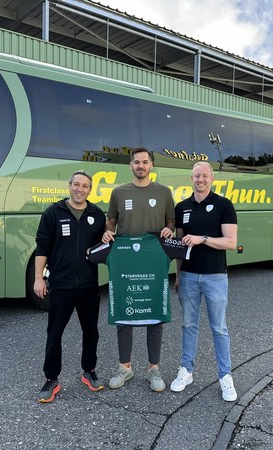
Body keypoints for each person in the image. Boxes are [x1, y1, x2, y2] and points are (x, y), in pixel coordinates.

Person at [102, 147, 175, 392]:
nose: (140, 166)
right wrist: (108, 231)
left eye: (145, 162)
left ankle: (154, 369)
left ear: (151, 165)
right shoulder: (119, 192)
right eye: (136, 162)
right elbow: (111, 221)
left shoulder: (163, 192)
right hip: (126, 259)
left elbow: (171, 221)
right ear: (130, 165)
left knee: (154, 313)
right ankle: (125, 367)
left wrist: (169, 229)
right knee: (125, 312)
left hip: (153, 260)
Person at [34, 170, 106, 403]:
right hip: (61, 285)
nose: (80, 189)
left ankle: (89, 371)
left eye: (85, 186)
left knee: (91, 332)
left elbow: (103, 247)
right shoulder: (53, 213)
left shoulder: (97, 214)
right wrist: (38, 278)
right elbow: (42, 247)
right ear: (69, 186)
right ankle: (51, 379)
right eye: (76, 184)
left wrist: (104, 242)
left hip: (88, 285)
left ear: (90, 190)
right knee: (55, 333)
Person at [171, 161, 238, 402]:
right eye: (196, 176)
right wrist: (178, 275)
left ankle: (225, 376)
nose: (200, 180)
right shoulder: (181, 208)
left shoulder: (223, 205)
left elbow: (230, 242)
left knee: (219, 328)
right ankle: (186, 370)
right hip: (188, 277)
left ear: (212, 179)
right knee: (188, 325)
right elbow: (180, 247)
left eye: (204, 176)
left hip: (215, 277)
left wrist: (203, 238)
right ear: (191, 179)